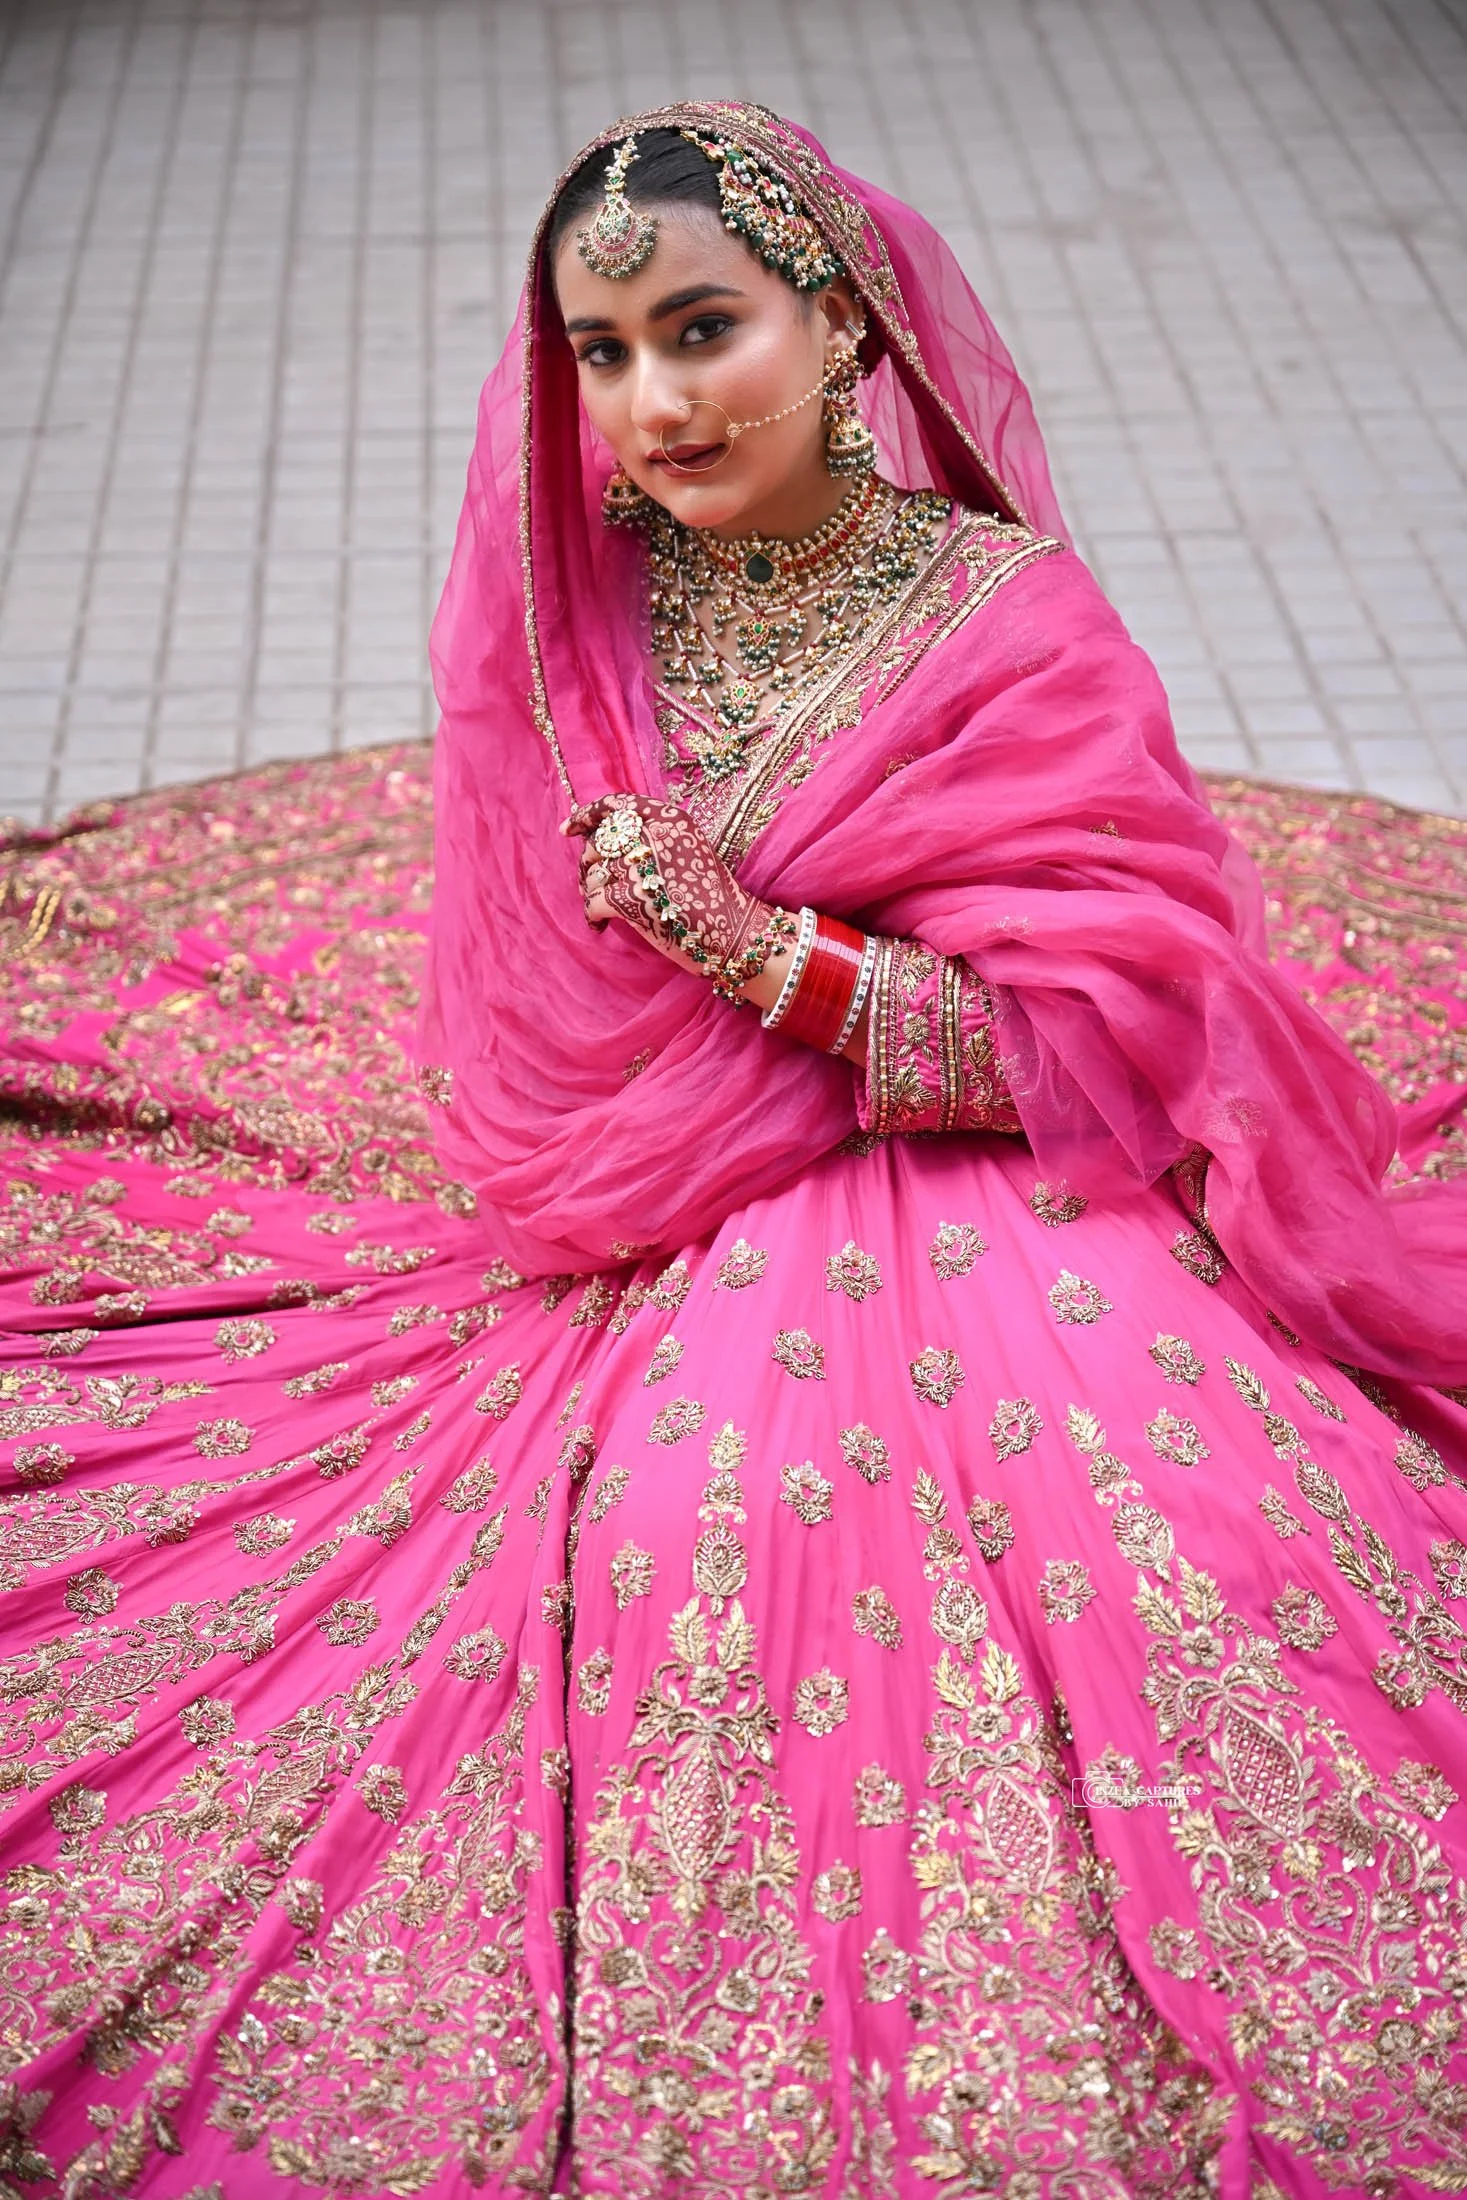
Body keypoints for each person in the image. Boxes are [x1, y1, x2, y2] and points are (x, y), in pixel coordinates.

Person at [1, 98, 1465, 2199]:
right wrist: (644, 1002)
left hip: (972, 1172)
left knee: (1098, 1515)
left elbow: (1106, 1042)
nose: (652, 404)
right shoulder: (586, 594)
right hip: (641, 1175)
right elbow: (520, 958)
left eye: (704, 329)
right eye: (602, 356)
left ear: (850, 323)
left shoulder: (1005, 630)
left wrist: (761, 955)